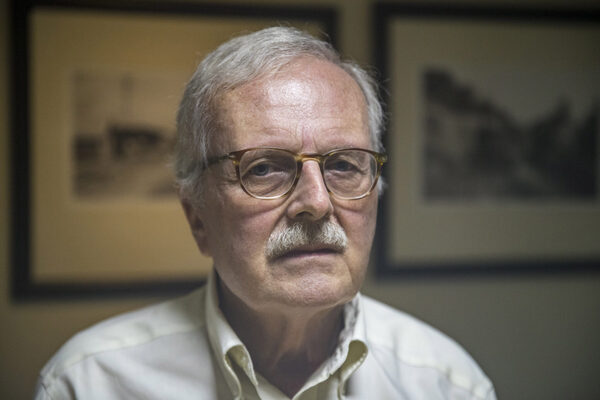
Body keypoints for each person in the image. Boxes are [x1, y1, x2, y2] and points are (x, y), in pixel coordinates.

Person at [35, 27, 496, 400]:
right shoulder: (91, 384)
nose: (317, 203)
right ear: (197, 217)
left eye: (343, 165)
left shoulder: (447, 385)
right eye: (264, 169)